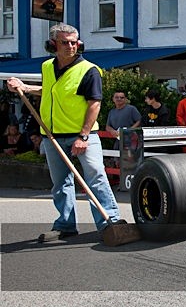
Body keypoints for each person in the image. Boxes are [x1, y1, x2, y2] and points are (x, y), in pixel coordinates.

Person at [6, 23, 122, 242]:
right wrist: (25, 87)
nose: (70, 46)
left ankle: (111, 222)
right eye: (65, 42)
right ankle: (66, 225)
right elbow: (50, 90)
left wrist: (83, 136)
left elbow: (94, 104)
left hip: (83, 136)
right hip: (52, 136)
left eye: (74, 42)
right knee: (61, 184)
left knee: (96, 178)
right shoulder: (47, 67)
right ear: (52, 45)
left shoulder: (89, 70)